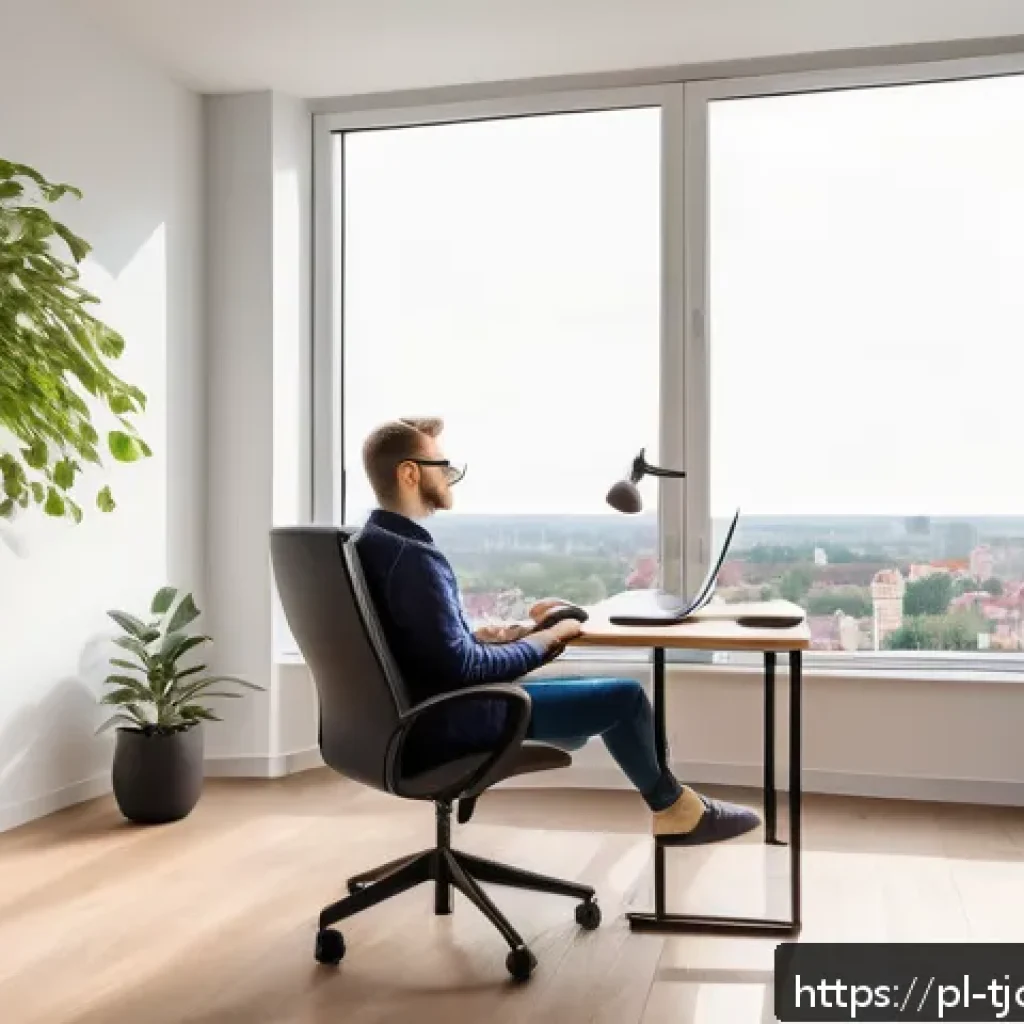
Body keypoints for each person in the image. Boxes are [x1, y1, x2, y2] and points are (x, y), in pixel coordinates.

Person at [354, 416, 760, 843]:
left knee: (588, 699)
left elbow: (415, 646)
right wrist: (546, 638)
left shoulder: (376, 542)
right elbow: (466, 671)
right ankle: (676, 810)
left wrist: (489, 637)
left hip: (414, 716)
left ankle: (675, 804)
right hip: (450, 719)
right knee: (624, 699)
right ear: (410, 473)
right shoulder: (413, 557)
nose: (452, 478)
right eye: (444, 467)